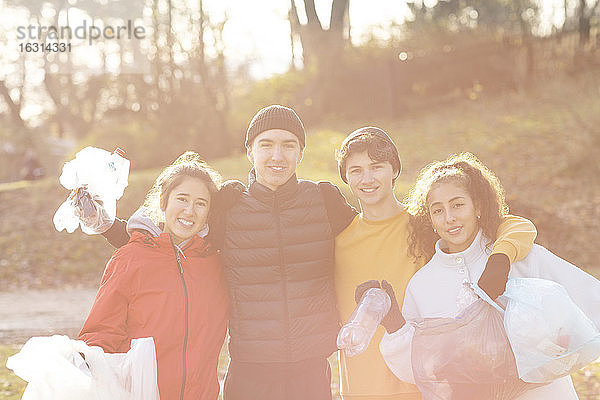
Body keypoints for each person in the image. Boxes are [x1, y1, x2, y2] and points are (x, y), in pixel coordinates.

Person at [101, 105, 358, 400]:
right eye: (266, 144)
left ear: (301, 153)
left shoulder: (324, 200)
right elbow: (169, 243)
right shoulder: (229, 205)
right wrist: (110, 227)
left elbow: (371, 238)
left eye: (289, 145)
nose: (277, 155)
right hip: (250, 372)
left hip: (310, 370)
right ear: (250, 151)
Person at [374, 152, 600, 399]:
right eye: (437, 210)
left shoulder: (517, 255)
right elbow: (417, 368)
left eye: (458, 205)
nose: (449, 218)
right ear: (430, 219)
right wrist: (395, 327)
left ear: (477, 206)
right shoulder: (423, 285)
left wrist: (556, 339)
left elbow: (588, 298)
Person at [334, 128, 539, 400]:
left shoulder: (427, 224)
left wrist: (501, 257)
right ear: (345, 177)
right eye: (356, 170)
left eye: (377, 166)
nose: (367, 178)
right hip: (360, 390)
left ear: (394, 169)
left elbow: (512, 225)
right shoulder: (337, 242)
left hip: (425, 387)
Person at [79, 151, 229, 400]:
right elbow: (101, 332)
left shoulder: (217, 264)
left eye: (201, 203)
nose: (190, 211)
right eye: (182, 199)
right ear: (163, 202)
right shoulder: (130, 259)